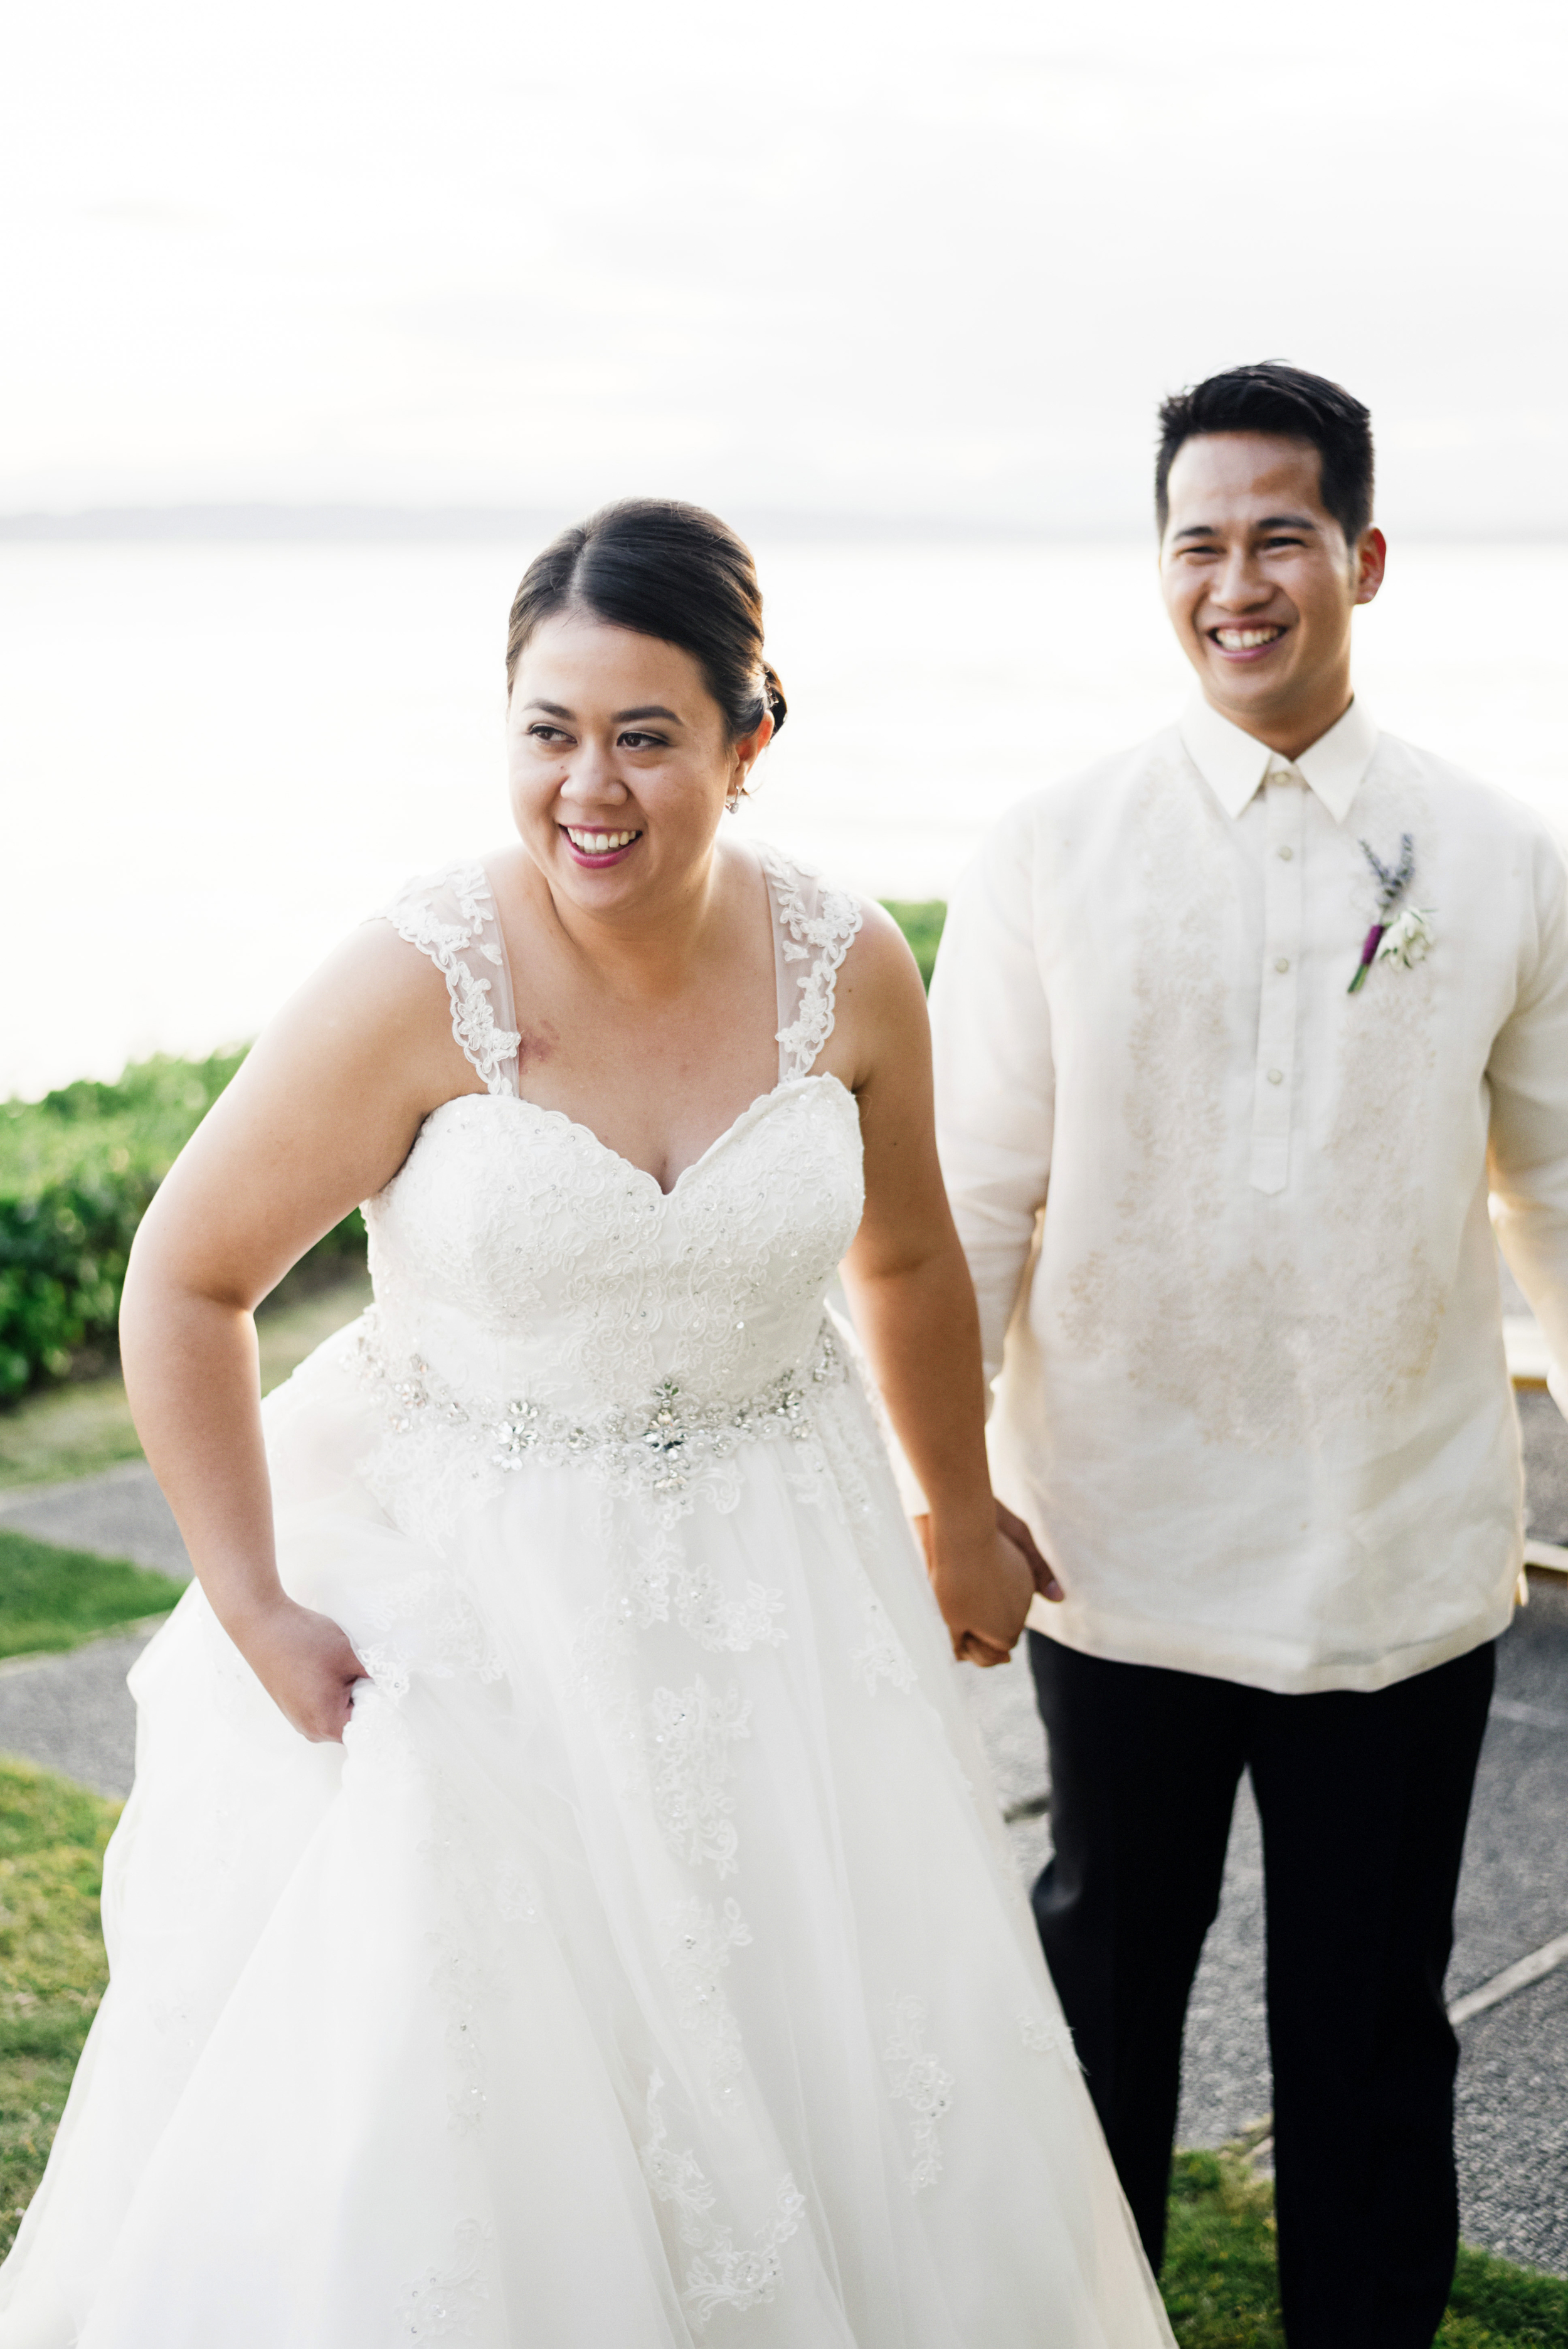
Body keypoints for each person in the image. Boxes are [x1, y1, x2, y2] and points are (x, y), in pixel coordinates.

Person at [0, 500, 1174, 2348]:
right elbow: (184, 1278)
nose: (587, 790)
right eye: (547, 731)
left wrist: (955, 1503)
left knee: (833, 2061)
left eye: (643, 734)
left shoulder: (847, 964)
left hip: (790, 1598)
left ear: (747, 738)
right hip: (475, 1614)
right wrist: (252, 1600)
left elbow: (913, 1258)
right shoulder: (419, 976)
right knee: (490, 2105)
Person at [927, 363, 1568, 2349]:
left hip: (1397, 1553)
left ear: (1361, 557)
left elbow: (1554, 1197)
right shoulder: (1048, 848)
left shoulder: (1498, 853)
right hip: (1108, 1544)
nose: (1236, 580)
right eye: (1195, 542)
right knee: (1104, 1978)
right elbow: (962, 1204)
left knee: (1371, 2018)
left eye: (1278, 534)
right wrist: (947, 1497)